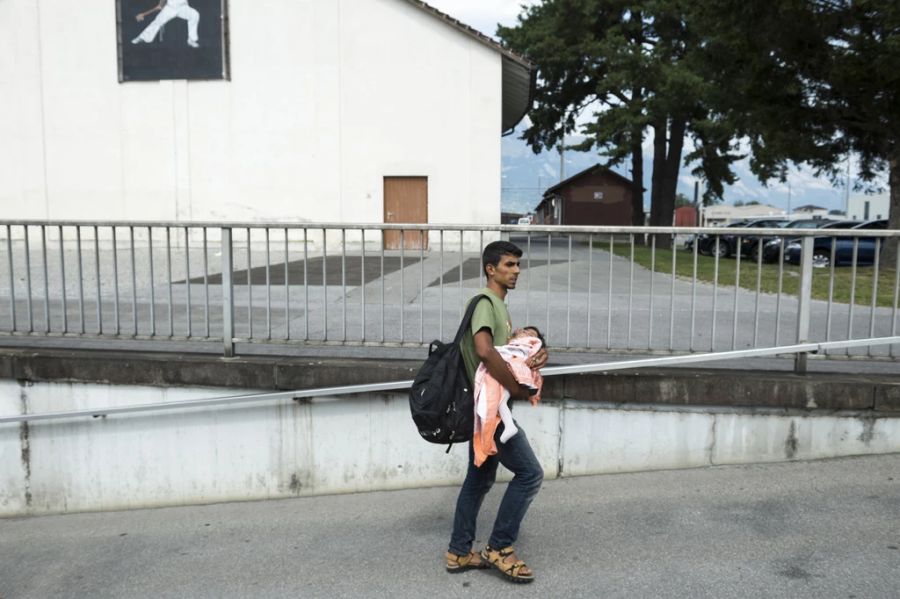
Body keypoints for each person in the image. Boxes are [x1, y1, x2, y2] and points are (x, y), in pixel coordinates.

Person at [445, 240, 549, 584]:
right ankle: (499, 548)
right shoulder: (487, 303)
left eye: (518, 265)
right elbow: (486, 352)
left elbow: (510, 350)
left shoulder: (498, 307)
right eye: (509, 265)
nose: (516, 271)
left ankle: (459, 552)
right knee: (530, 474)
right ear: (491, 269)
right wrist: (519, 389)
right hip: (491, 410)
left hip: (485, 408)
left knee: (479, 479)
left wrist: (536, 349)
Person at [472, 326, 545, 466]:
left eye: (530, 334)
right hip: (499, 382)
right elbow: (486, 351)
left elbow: (529, 349)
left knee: (481, 477)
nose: (523, 332)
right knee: (530, 474)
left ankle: (504, 429)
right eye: (524, 331)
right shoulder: (488, 308)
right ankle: (506, 427)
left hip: (504, 380)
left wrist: (539, 350)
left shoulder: (526, 344)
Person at [131, 0, 200, 48]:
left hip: (183, 8)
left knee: (195, 15)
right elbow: (160, 5)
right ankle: (142, 38)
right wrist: (144, 14)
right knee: (157, 22)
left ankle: (191, 40)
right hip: (170, 8)